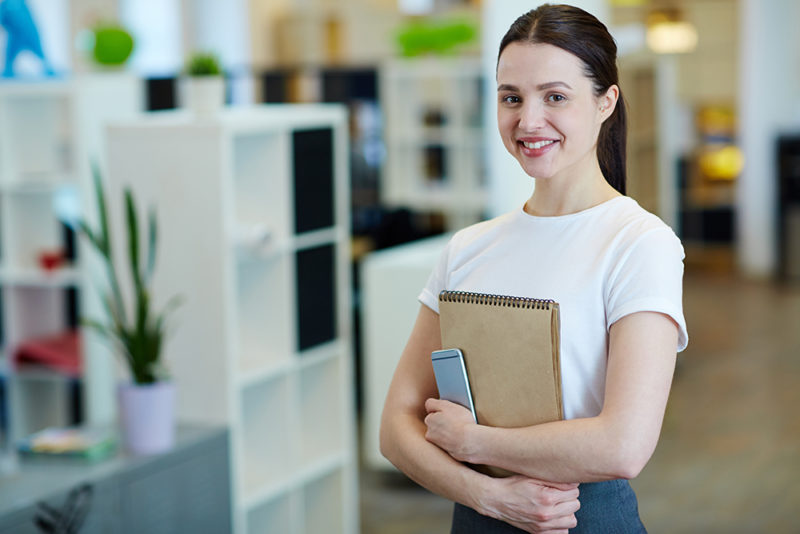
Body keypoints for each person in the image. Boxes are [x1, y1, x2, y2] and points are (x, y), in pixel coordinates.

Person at [379, 4, 688, 533]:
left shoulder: (640, 243)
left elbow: (625, 445)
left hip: (581, 517)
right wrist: (489, 495)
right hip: (477, 512)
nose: (528, 121)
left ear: (606, 101)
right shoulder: (467, 248)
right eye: (511, 97)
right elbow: (394, 428)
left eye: (556, 97)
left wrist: (475, 443)